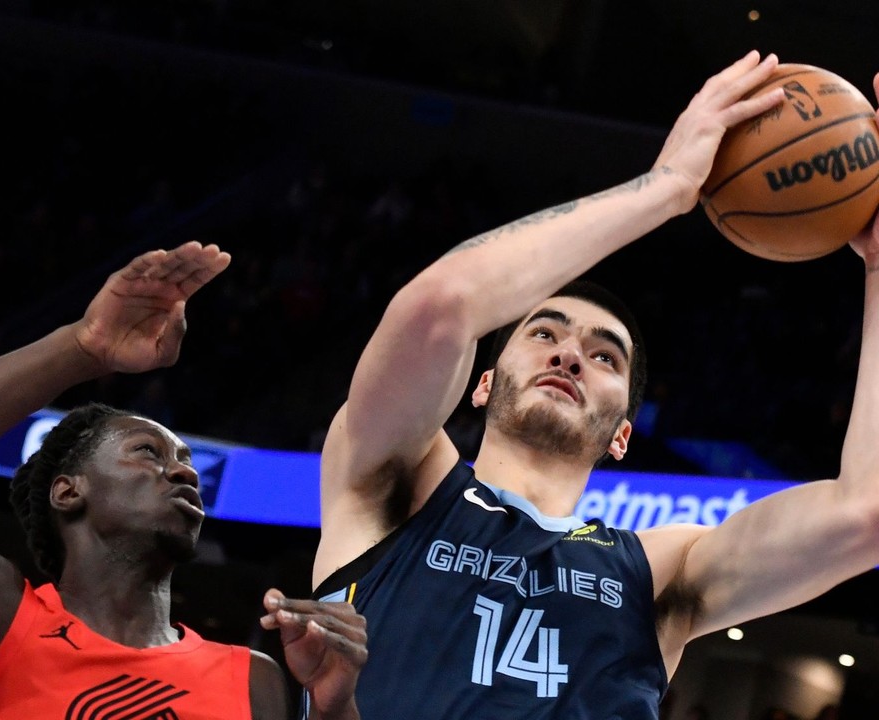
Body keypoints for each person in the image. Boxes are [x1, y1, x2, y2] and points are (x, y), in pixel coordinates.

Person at [302, 49, 879, 719]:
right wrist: (666, 188)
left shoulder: (659, 570)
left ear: (623, 435)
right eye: (544, 333)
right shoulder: (392, 488)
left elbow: (863, 516)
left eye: (605, 357)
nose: (571, 354)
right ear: (482, 384)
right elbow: (441, 308)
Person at [0, 241, 367, 720]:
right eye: (148, 452)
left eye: (186, 460)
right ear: (68, 491)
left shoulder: (254, 679)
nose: (184, 471)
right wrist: (80, 348)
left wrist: (334, 710)